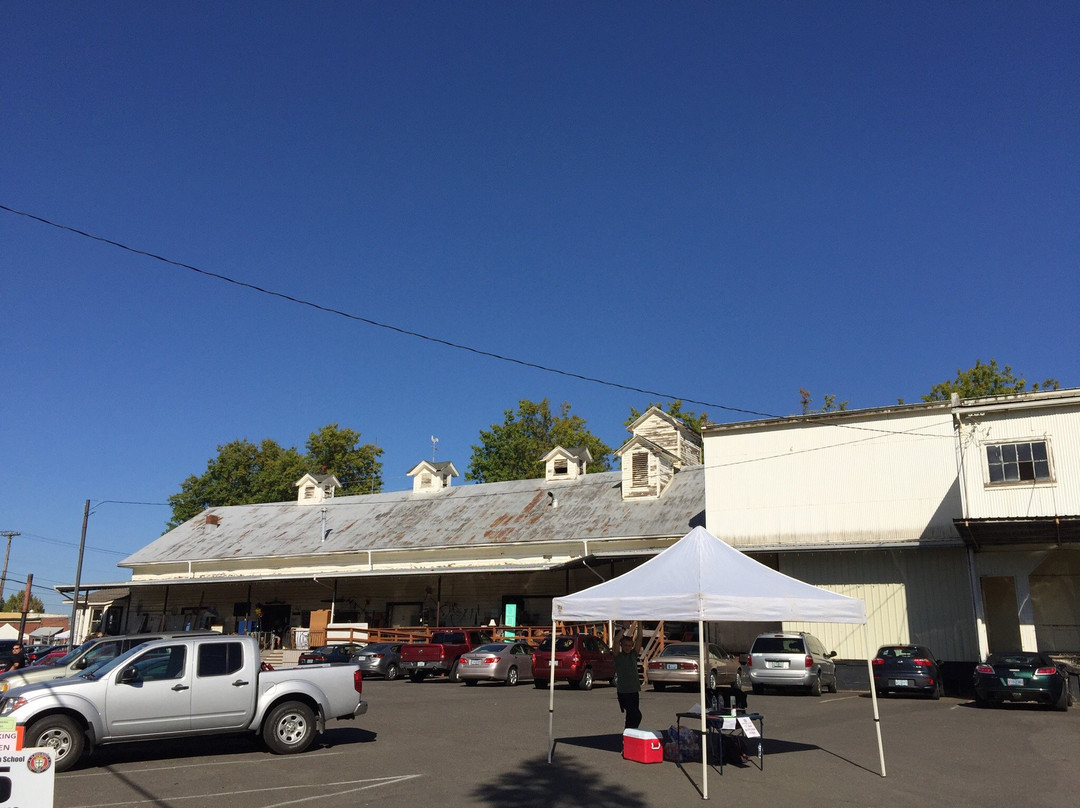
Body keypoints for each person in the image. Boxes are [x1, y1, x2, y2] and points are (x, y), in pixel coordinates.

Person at [613, 622, 643, 730]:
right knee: (636, 715)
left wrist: (640, 623)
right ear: (622, 645)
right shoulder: (618, 656)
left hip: (634, 691)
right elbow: (616, 641)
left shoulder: (633, 655)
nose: (627, 647)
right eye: (625, 645)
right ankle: (629, 733)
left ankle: (630, 735)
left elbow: (639, 639)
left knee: (631, 717)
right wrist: (624, 628)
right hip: (623, 692)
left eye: (630, 646)